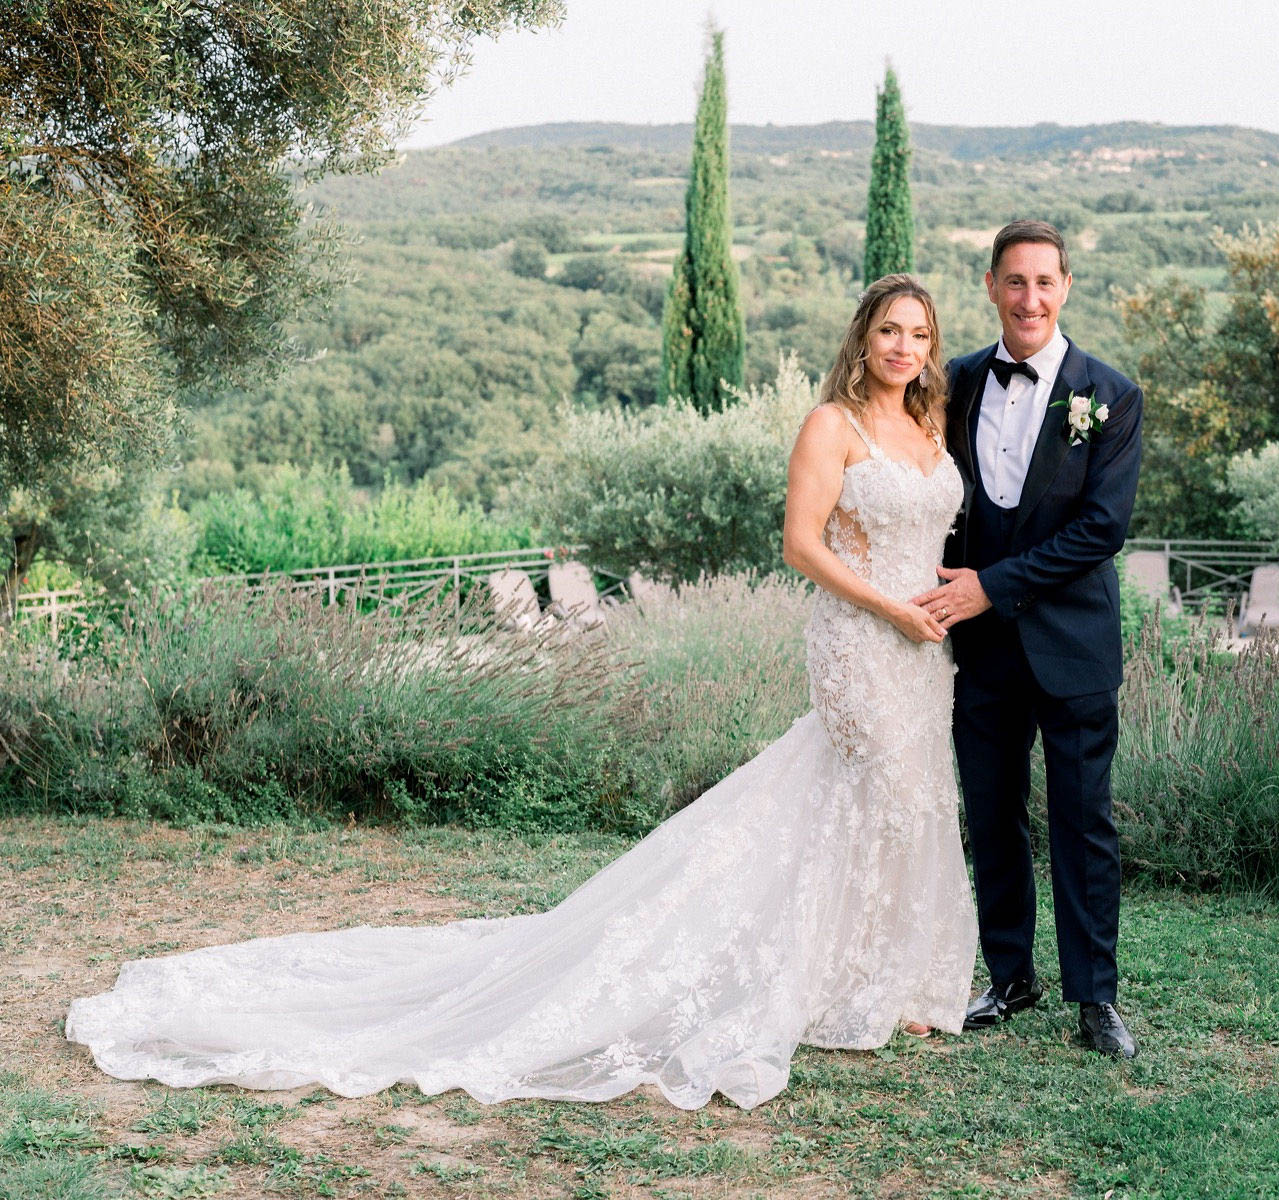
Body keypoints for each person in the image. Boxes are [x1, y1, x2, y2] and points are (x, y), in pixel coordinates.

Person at [64, 275, 978, 1111]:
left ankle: (879, 981)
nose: (904, 347)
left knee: (904, 802)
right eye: (889, 331)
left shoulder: (931, 427)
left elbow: (914, 522)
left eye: (919, 335)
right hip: (862, 641)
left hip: (924, 649)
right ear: (862, 339)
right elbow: (803, 545)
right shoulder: (832, 425)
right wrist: (889, 606)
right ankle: (845, 985)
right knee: (881, 795)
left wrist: (936, 585)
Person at [912, 220, 1144, 1059]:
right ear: (990, 286)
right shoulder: (958, 382)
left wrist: (990, 587)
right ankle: (1009, 976)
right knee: (992, 814)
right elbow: (929, 495)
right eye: (1015, 282)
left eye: (1044, 282)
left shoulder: (1111, 396)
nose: (1030, 298)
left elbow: (1101, 529)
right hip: (977, 648)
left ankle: (1095, 999)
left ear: (1067, 287)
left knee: (1083, 823)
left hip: (1072, 647)